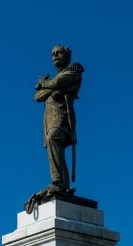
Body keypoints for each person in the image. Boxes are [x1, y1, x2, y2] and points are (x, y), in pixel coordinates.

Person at [35, 45, 83, 194]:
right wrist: (50, 86)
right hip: (49, 120)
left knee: (53, 139)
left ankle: (57, 182)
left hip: (62, 117)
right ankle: (65, 186)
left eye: (59, 53)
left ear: (67, 56)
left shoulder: (74, 70)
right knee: (58, 151)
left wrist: (45, 84)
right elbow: (37, 96)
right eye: (53, 54)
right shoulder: (56, 78)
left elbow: (58, 82)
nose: (55, 56)